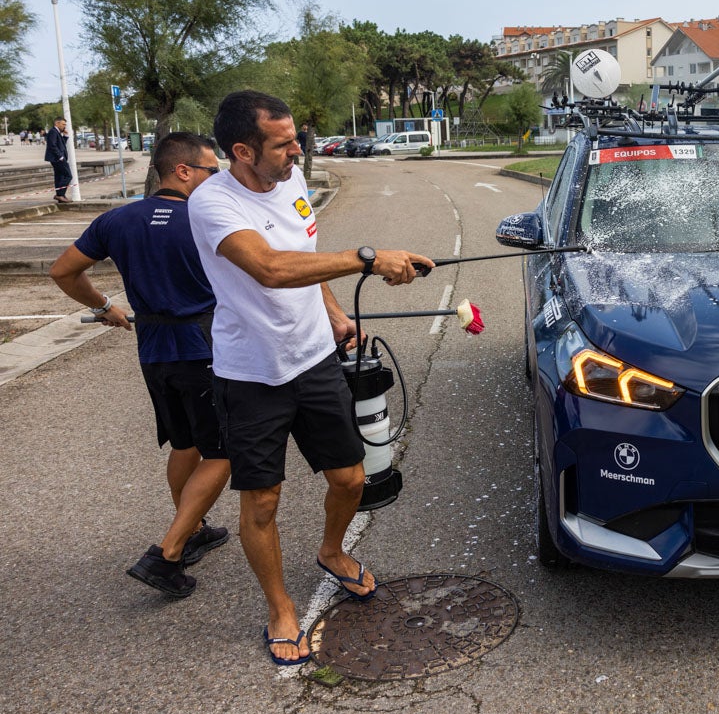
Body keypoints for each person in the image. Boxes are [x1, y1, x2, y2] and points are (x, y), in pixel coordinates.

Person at [188, 90, 434, 667]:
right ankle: (280, 608)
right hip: (252, 374)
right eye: (283, 143)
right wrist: (370, 258)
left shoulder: (292, 181)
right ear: (243, 151)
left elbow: (305, 254)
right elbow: (271, 269)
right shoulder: (213, 203)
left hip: (315, 358)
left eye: (296, 136)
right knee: (263, 500)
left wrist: (334, 311)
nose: (298, 148)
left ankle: (331, 551)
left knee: (350, 479)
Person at [49, 132, 232, 597]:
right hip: (203, 348)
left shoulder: (116, 219)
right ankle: (167, 554)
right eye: (212, 170)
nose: (218, 179)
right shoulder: (205, 219)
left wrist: (103, 305)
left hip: (153, 350)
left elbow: (62, 271)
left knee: (185, 443)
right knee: (222, 451)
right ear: (183, 170)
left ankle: (192, 529)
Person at [44, 116, 73, 202]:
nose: (64, 126)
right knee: (68, 175)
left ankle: (61, 196)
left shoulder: (57, 132)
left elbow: (61, 144)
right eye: (63, 124)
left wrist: (65, 136)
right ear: (57, 123)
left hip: (58, 158)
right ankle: (59, 195)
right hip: (57, 158)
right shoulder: (53, 131)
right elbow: (52, 145)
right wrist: (60, 156)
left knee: (59, 177)